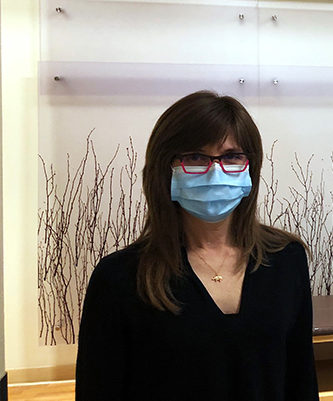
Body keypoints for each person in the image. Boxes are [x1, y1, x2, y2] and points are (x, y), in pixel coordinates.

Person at [76, 91, 319, 401]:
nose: (215, 171)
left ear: (250, 167)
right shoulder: (120, 279)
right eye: (195, 157)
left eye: (232, 156)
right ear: (165, 167)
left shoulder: (286, 258)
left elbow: (301, 380)